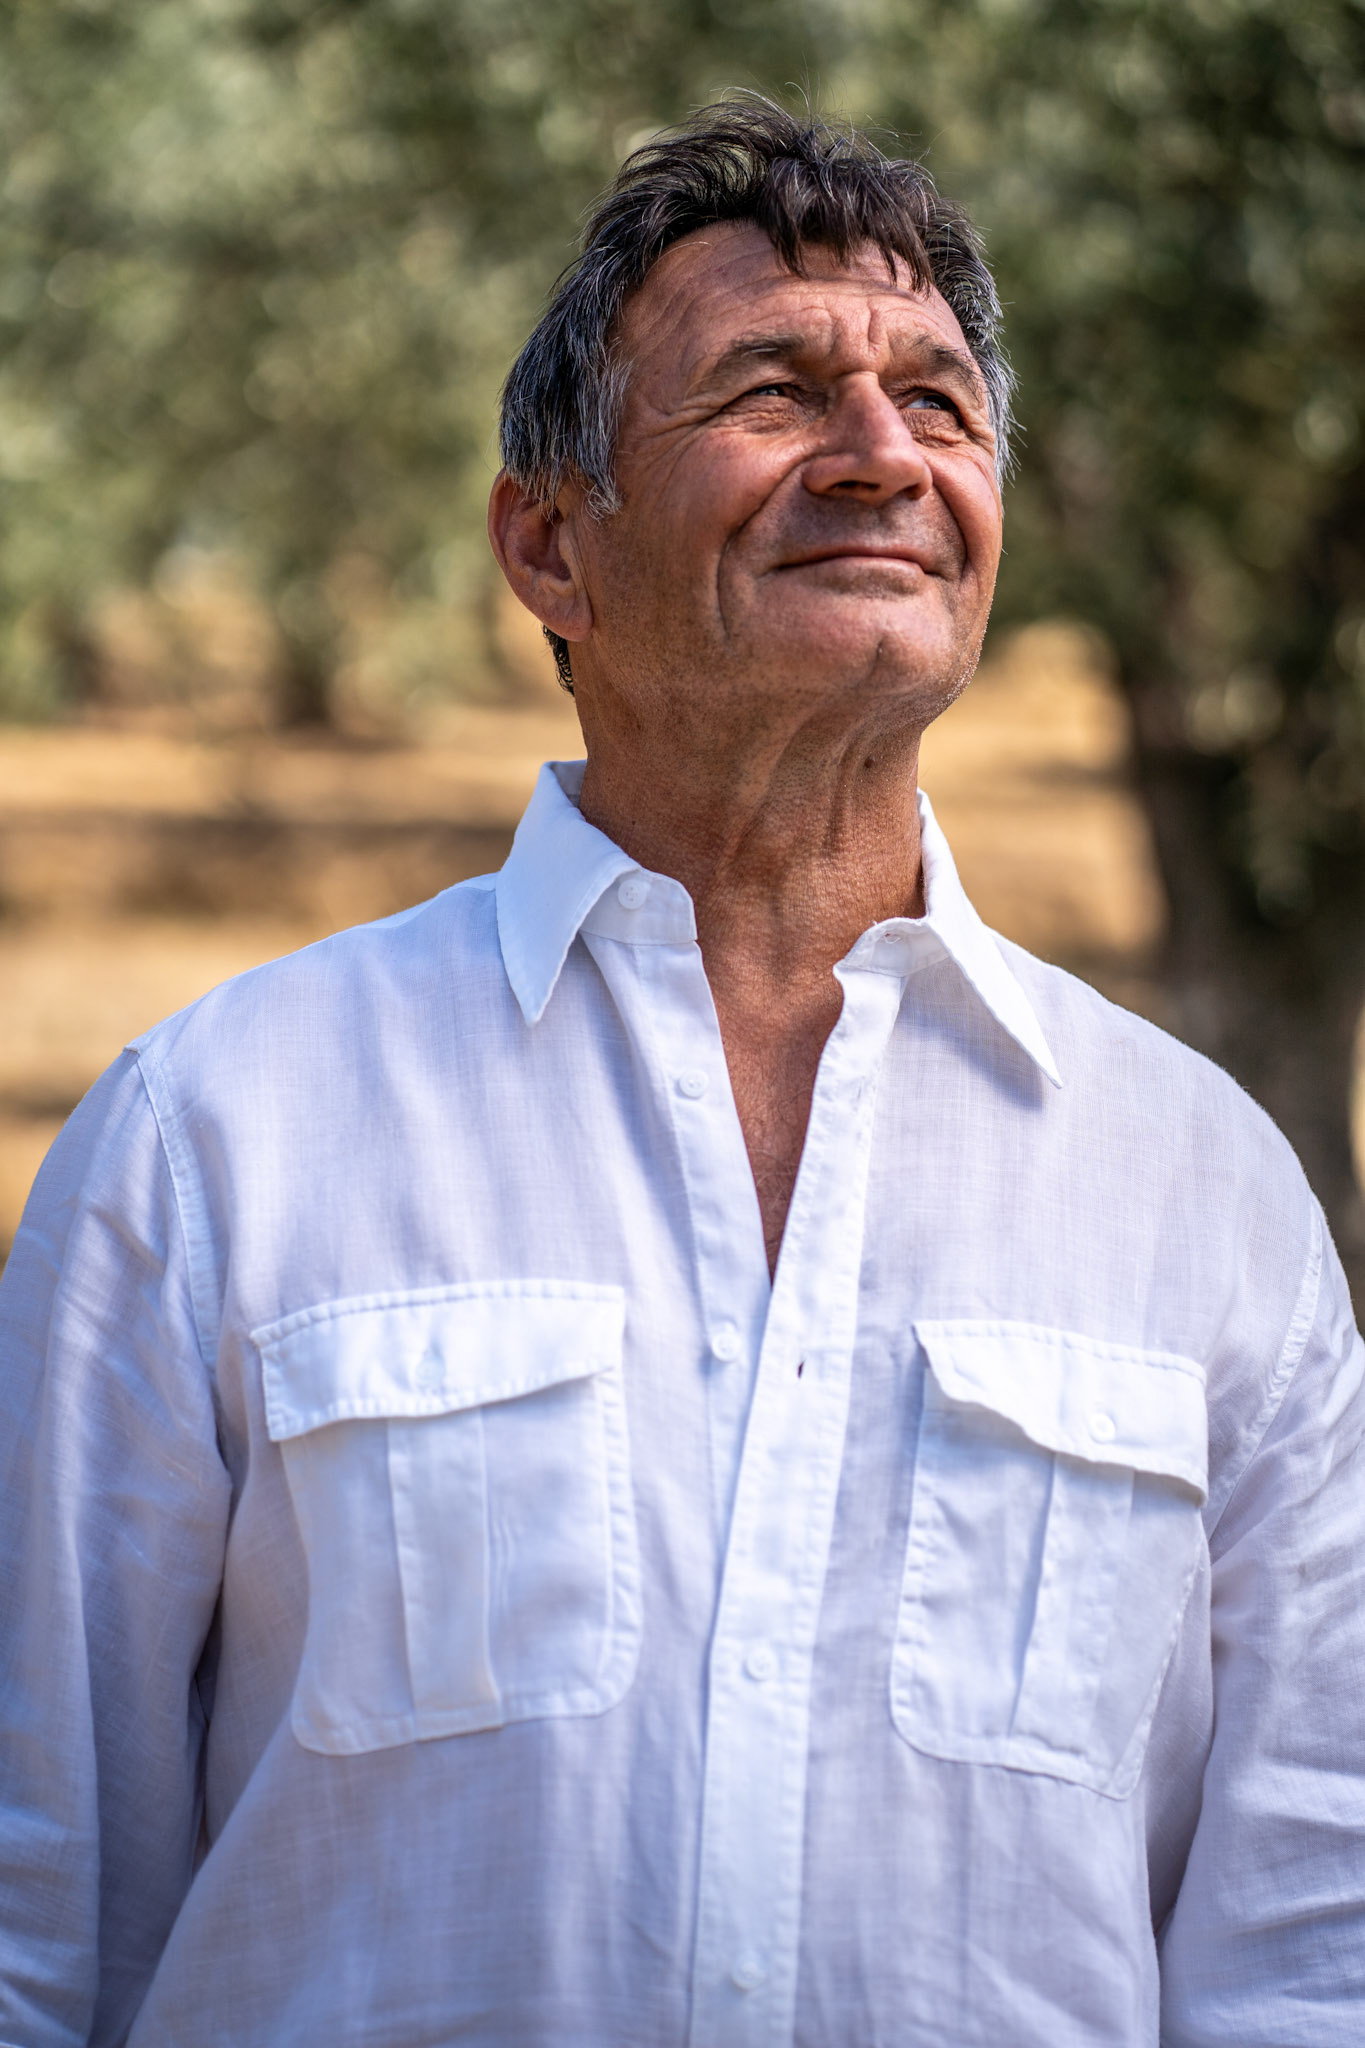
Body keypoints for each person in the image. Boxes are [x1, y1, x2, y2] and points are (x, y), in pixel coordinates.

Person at [1, 97, 1362, 2048]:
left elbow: (1306, 1955)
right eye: (772, 390)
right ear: (550, 544)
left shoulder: (1199, 1188)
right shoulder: (215, 1137)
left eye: (939, 403)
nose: (883, 453)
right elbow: (35, 1915)